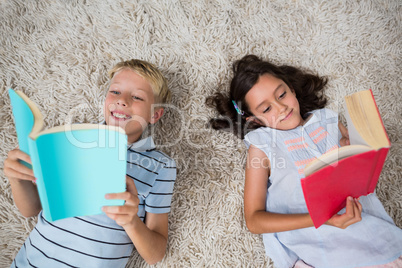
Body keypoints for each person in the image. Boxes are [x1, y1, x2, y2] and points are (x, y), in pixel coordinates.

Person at [207, 54, 402, 267]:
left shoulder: (327, 119)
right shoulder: (262, 146)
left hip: (370, 230)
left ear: (291, 89)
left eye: (281, 95)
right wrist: (321, 218)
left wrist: (363, 149)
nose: (281, 108)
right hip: (319, 244)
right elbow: (254, 220)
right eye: (266, 109)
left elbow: (360, 162)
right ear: (255, 119)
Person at [4, 59, 176, 267]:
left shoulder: (161, 167)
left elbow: (155, 255)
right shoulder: (71, 139)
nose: (122, 101)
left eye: (137, 96)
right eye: (115, 92)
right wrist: (17, 178)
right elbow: (31, 210)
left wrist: (131, 222)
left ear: (155, 114)